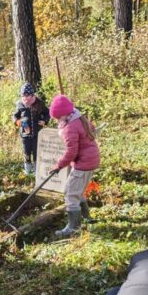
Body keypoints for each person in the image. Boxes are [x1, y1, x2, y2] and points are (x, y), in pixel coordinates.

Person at [48, 94, 100, 237]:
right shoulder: (79, 117)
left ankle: (73, 227)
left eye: (58, 118)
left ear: (64, 114)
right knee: (78, 190)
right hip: (90, 160)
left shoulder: (70, 127)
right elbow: (92, 130)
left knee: (70, 192)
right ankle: (86, 217)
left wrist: (59, 165)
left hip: (83, 163)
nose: (57, 121)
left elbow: (71, 151)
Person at [12, 82, 50, 175]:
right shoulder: (20, 104)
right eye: (23, 96)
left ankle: (37, 171)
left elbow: (47, 113)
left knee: (37, 152)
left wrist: (44, 121)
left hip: (37, 134)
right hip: (25, 135)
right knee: (26, 152)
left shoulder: (39, 103)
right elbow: (14, 116)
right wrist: (17, 122)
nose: (24, 98)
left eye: (27, 95)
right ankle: (28, 171)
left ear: (32, 95)